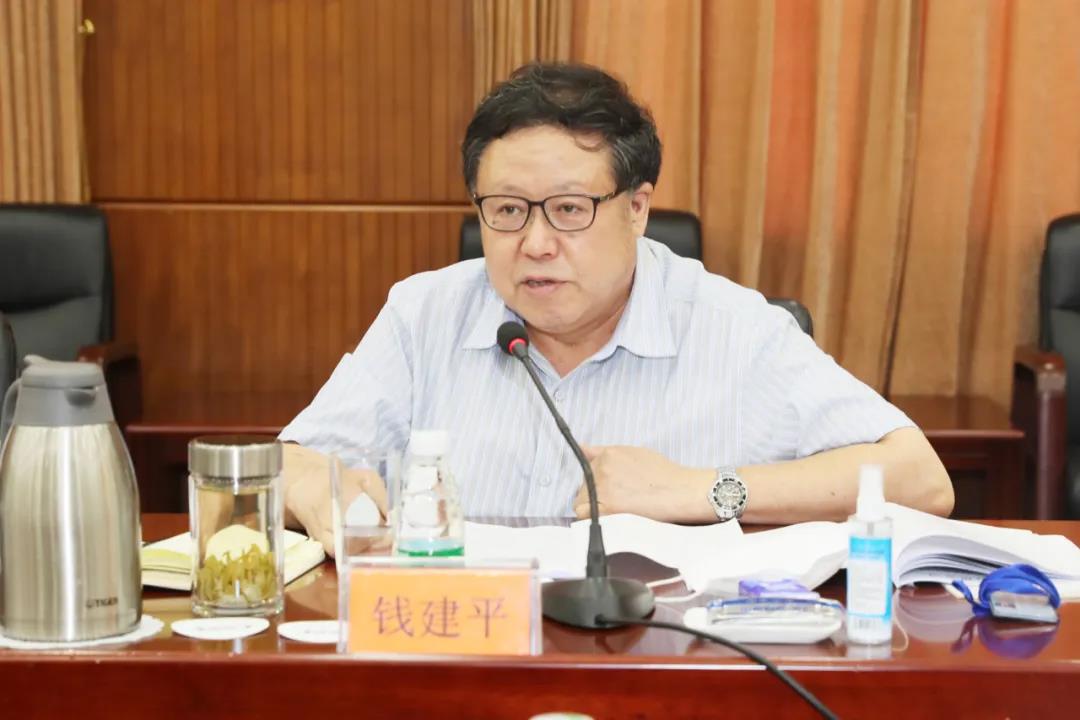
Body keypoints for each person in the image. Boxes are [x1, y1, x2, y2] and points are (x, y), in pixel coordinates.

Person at [281, 62, 953, 553]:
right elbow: (292, 463)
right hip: (463, 656)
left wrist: (700, 490)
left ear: (637, 209)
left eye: (570, 209)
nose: (535, 244)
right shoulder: (423, 315)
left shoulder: (734, 331)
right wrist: (316, 490)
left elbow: (921, 480)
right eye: (507, 211)